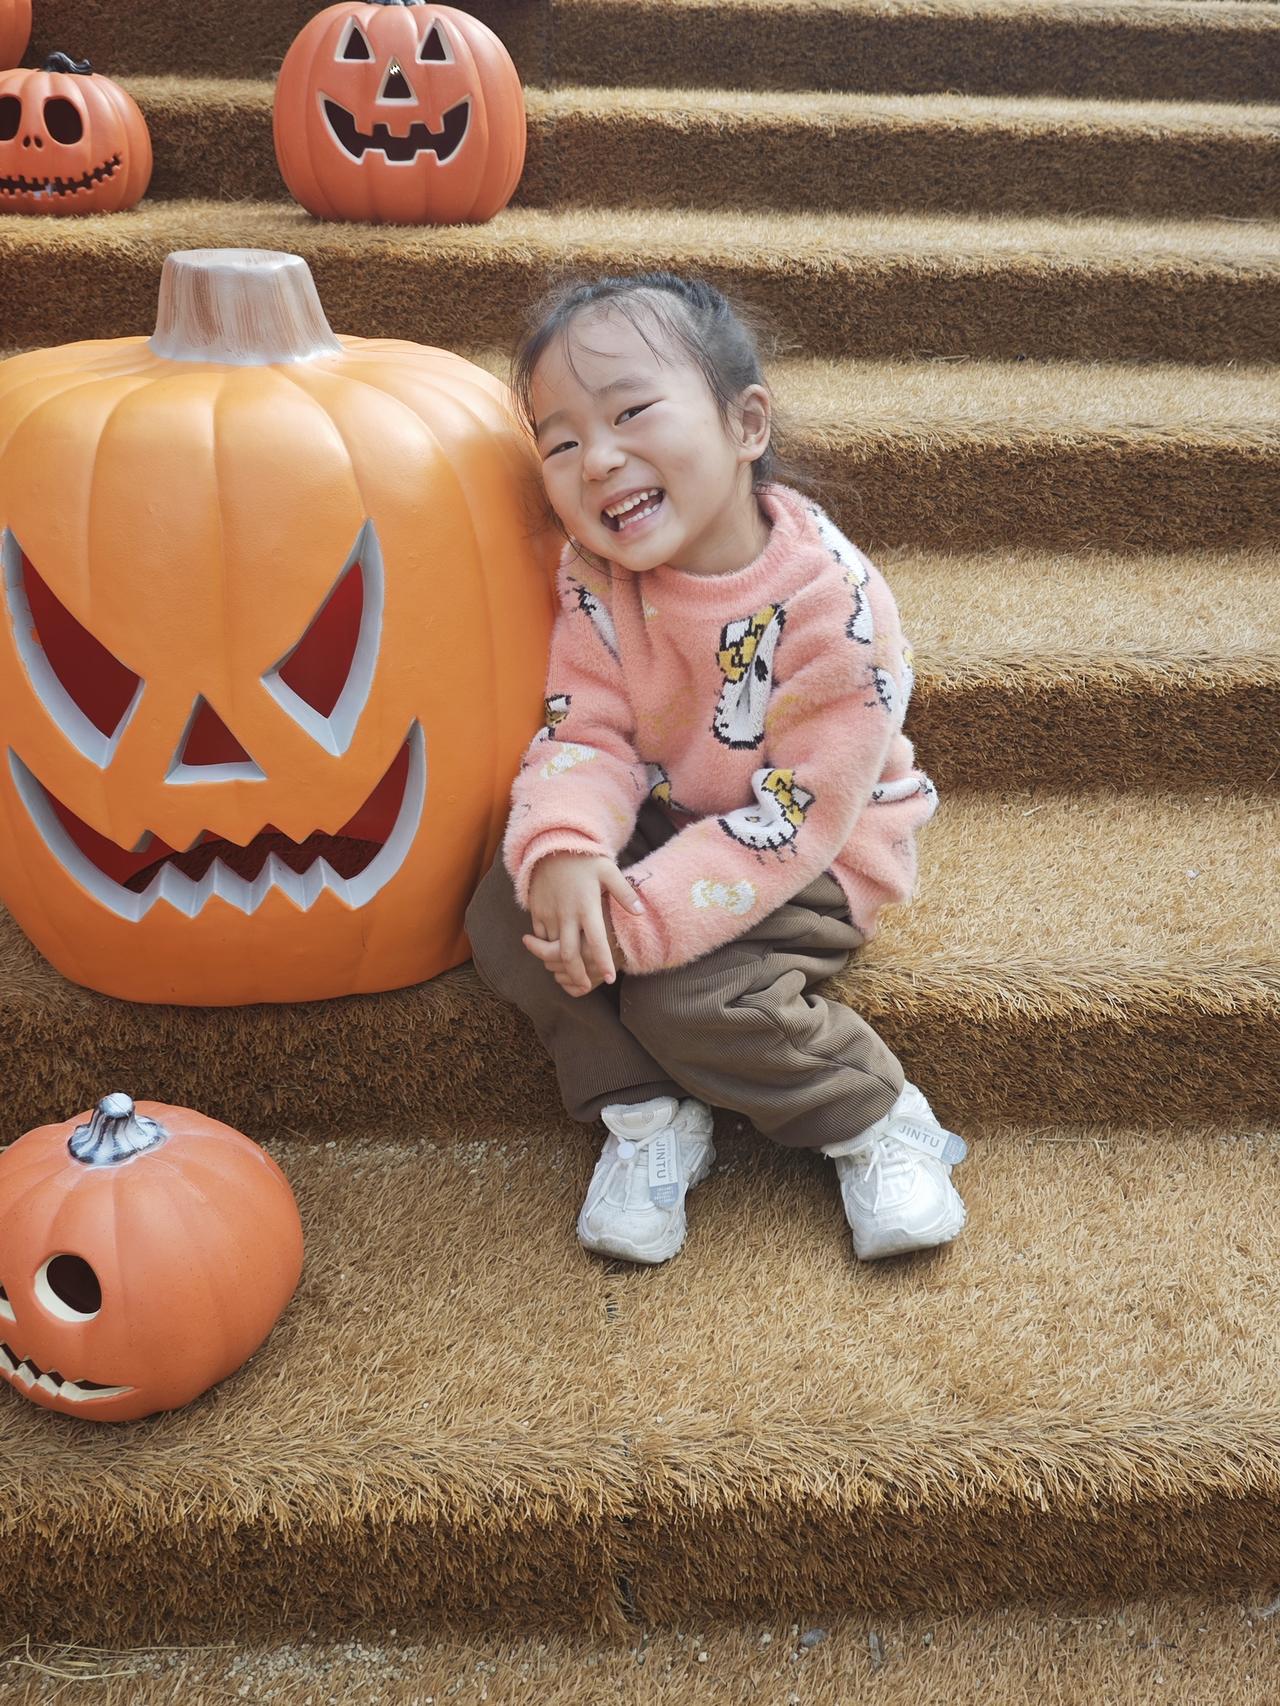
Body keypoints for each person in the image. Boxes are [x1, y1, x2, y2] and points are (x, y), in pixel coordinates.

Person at [464, 271, 968, 1268]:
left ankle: (873, 1115)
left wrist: (641, 918)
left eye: (632, 412)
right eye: (558, 441)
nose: (596, 459)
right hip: (670, 803)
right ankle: (646, 1108)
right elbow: (589, 725)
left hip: (816, 845)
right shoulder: (595, 578)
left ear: (745, 425)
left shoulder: (834, 601)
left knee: (682, 996)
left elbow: (799, 810)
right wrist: (566, 844)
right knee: (505, 907)